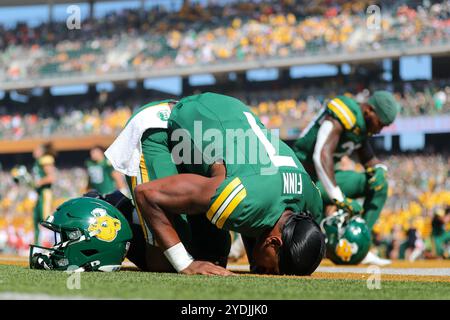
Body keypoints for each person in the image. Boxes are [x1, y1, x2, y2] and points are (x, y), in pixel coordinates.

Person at [131, 92, 325, 276]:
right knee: (165, 262)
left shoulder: (310, 205)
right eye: (274, 270)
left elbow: (261, 211)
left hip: (214, 123)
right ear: (274, 242)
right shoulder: (244, 198)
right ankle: (116, 209)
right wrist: (185, 264)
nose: (270, 274)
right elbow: (147, 194)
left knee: (212, 256)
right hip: (163, 129)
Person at [293, 91, 399, 265]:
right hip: (302, 178)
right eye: (380, 123)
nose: (379, 130)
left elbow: (369, 160)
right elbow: (321, 154)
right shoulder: (347, 112)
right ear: (369, 110)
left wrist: (380, 169)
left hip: (324, 178)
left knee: (379, 184)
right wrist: (339, 198)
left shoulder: (362, 128)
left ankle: (359, 244)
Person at [31, 142, 56, 245]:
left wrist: (39, 182)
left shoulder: (45, 160)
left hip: (45, 194)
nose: (34, 152)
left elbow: (51, 177)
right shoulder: (37, 162)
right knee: (36, 219)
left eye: (36, 150)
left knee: (46, 220)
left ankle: (53, 243)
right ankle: (36, 245)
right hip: (39, 194)